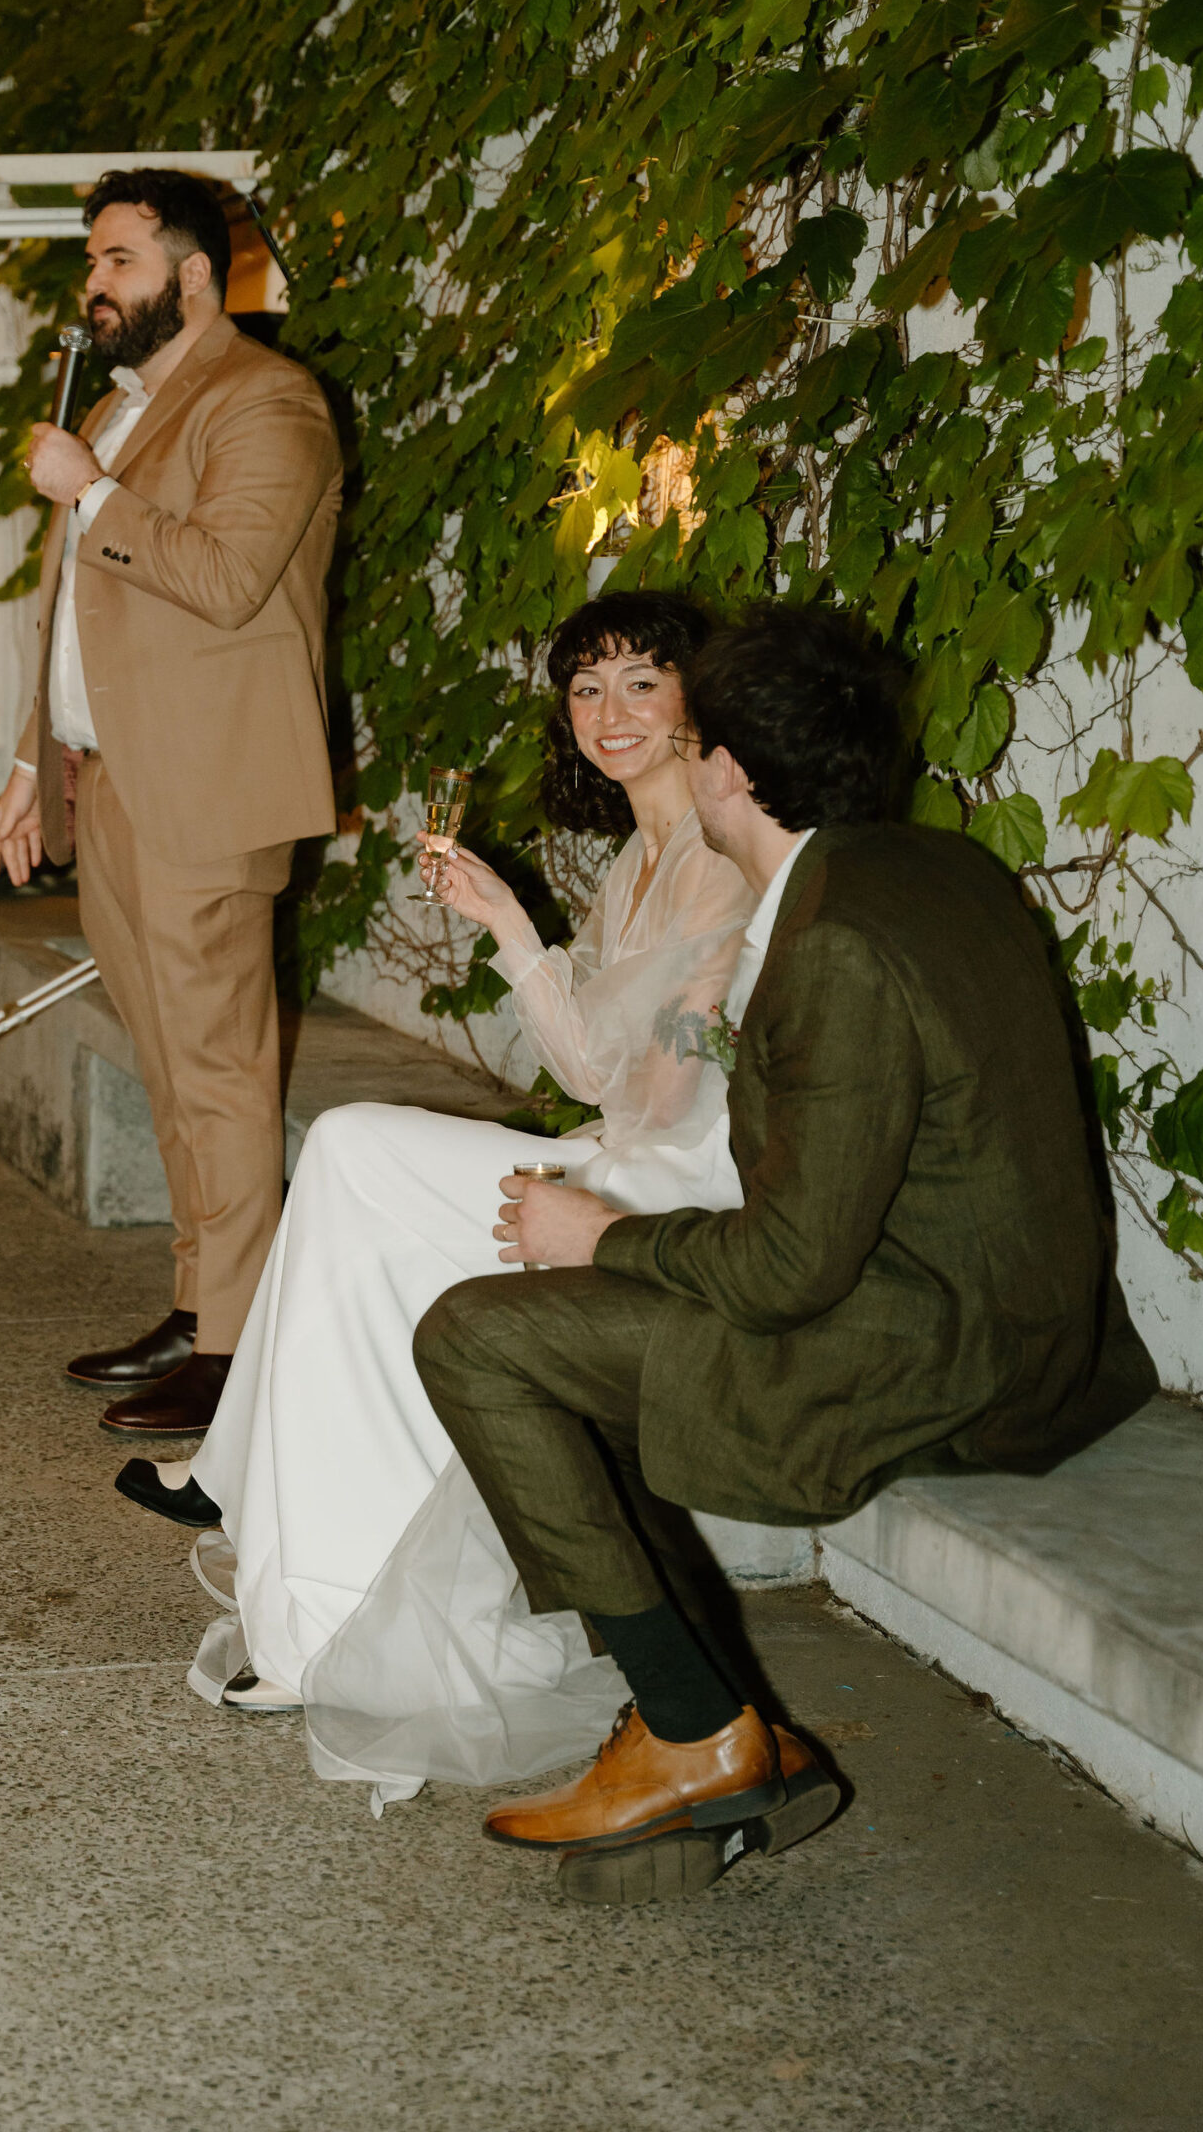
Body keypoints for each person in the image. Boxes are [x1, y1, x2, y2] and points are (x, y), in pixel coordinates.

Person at [412, 598, 1160, 1902]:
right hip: (989, 1311)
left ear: (728, 771)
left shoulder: (833, 948)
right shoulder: (913, 873)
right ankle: (699, 1715)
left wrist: (603, 1233)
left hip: (947, 1358)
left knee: (480, 1338)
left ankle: (695, 1737)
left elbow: (785, 1273)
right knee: (574, 1353)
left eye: (688, 727)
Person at [127, 592, 754, 1767]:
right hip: (613, 1152)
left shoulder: (720, 857)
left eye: (638, 682)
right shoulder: (635, 860)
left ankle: (299, 1580)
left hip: (668, 1198)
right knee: (351, 1160)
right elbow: (587, 1067)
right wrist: (509, 920)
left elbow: (669, 1099)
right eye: (584, 688)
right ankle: (305, 1581)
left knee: (359, 1163)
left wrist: (633, 1076)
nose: (607, 712)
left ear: (692, 698)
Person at [0, 168, 341, 1436]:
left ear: (195, 273)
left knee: (223, 1076)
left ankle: (242, 1347)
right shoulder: (128, 412)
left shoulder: (268, 402)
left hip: (209, 785)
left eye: (120, 260)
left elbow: (232, 577)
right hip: (117, 781)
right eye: (94, 261)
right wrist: (32, 765)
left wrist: (91, 490)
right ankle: (204, 1304)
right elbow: (72, 612)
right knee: (170, 1068)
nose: (95, 286)